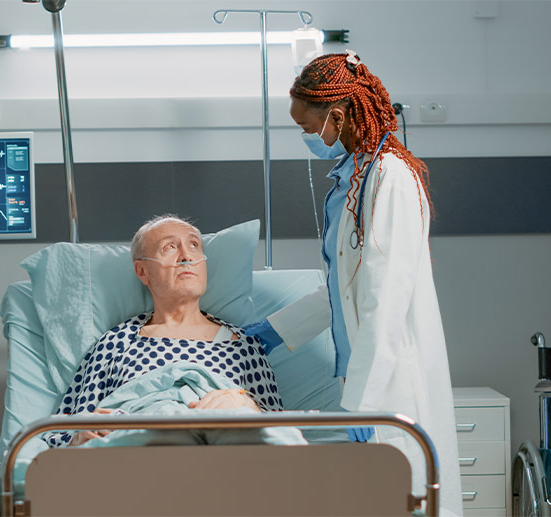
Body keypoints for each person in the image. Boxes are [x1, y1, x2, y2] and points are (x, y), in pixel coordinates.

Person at [243, 51, 462, 516]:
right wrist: (275, 331)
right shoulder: (353, 178)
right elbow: (347, 286)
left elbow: (385, 299)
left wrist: (368, 404)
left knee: (402, 497)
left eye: (307, 128)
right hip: (362, 378)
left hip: (390, 383)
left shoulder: (392, 178)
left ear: (337, 117)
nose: (306, 138)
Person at [43, 215, 296, 448]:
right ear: (143, 271)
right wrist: (81, 436)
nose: (187, 256)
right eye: (169, 247)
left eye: (195, 245)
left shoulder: (242, 346)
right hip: (142, 444)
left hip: (223, 449)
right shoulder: (116, 343)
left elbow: (279, 429)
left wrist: (245, 403)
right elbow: (64, 429)